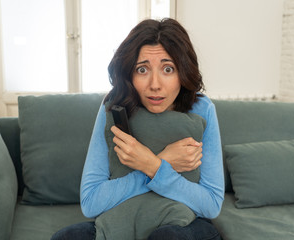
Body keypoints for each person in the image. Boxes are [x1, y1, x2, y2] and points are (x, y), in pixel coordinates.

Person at [51, 18, 224, 240]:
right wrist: (157, 163)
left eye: (168, 69)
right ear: (129, 74)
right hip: (121, 219)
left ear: (183, 72)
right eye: (142, 69)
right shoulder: (114, 107)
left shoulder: (202, 108)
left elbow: (210, 205)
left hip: (182, 225)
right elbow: (91, 203)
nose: (155, 84)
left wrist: (152, 164)